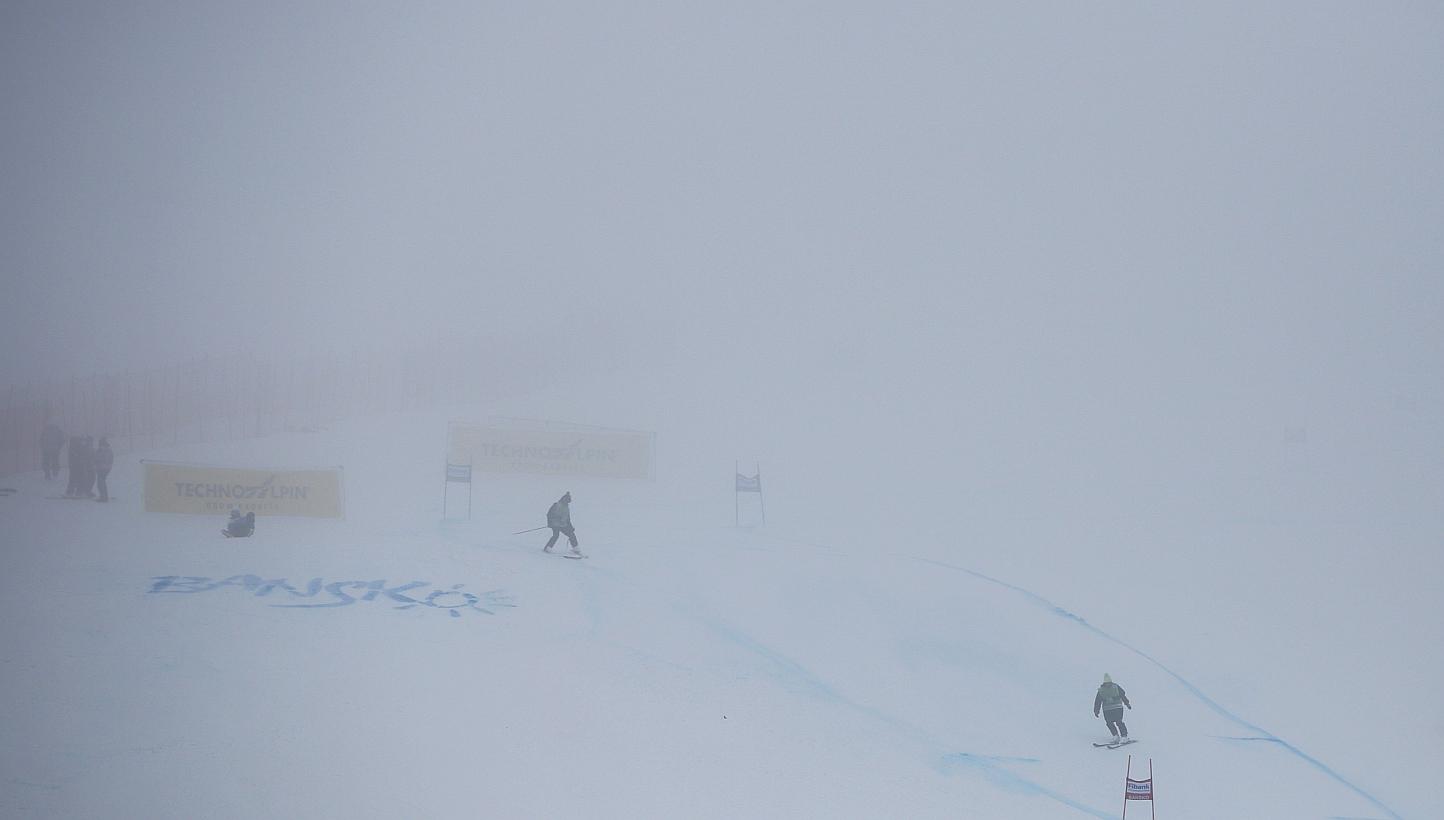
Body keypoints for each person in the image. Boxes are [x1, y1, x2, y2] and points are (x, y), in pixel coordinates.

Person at [1093, 673, 1132, 743]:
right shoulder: (1101, 690)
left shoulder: (1116, 687)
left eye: (1109, 683)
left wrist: (1127, 703)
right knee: (1109, 722)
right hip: (1107, 709)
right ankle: (1115, 736)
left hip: (1117, 707)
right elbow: (1098, 701)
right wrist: (1096, 710)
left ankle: (1124, 736)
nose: (1108, 684)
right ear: (1104, 683)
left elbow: (1122, 695)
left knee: (1119, 721)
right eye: (1107, 683)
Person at [93, 438, 114, 502]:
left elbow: (103, 460)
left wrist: (99, 463)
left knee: (101, 482)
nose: (100, 446)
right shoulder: (101, 450)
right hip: (102, 468)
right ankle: (103, 496)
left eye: (101, 444)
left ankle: (104, 497)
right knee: (101, 482)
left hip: (103, 469)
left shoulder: (105, 451)